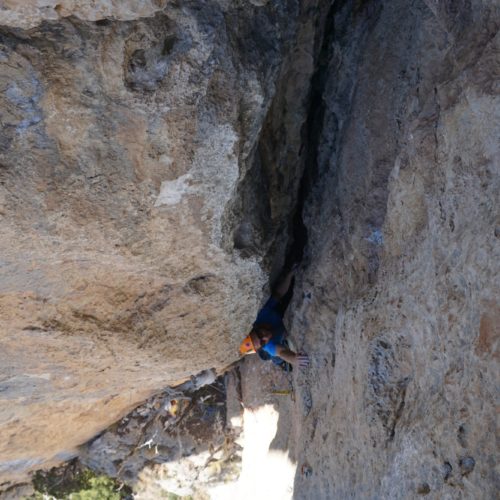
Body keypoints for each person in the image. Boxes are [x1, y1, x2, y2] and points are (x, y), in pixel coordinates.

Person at [239, 266, 309, 370]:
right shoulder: (269, 346)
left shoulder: (262, 315)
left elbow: (278, 294)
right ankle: (281, 364)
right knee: (274, 357)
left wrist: (289, 275)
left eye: (259, 334)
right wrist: (294, 359)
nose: (265, 337)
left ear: (256, 326)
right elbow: (282, 352)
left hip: (279, 317)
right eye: (262, 342)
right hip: (273, 347)